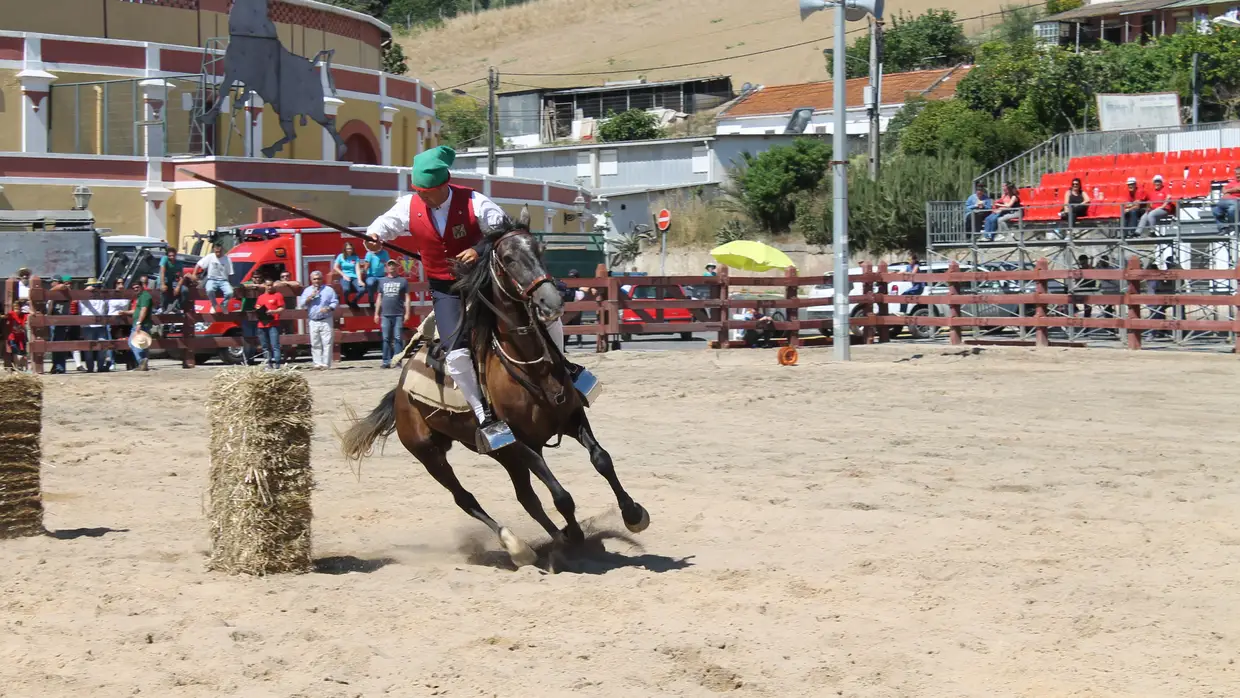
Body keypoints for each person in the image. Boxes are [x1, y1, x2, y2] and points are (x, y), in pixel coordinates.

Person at [365, 145, 597, 451]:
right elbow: (385, 226)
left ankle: (565, 366)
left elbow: (504, 236)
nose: (421, 195)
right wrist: (373, 237)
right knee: (455, 352)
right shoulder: (409, 206)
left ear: (442, 185)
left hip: (483, 280)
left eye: (426, 191)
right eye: (418, 190)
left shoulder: (475, 201)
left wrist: (479, 250)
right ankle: (484, 414)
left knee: (545, 313)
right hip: (446, 289)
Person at [373, 259, 410, 369]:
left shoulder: (403, 281)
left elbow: (407, 298)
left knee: (398, 338)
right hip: (385, 314)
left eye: (393, 265)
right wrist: (376, 313)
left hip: (398, 313)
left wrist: (407, 313)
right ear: (386, 267)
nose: (391, 267)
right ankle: (386, 361)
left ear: (397, 267)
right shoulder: (382, 281)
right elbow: (379, 298)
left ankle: (397, 361)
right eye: (389, 265)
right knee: (386, 338)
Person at [298, 270, 338, 369]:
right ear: (311, 280)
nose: (317, 281)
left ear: (322, 279)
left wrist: (328, 308)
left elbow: (335, 301)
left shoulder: (329, 290)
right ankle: (317, 363)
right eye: (314, 279)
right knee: (315, 343)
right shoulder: (307, 290)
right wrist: (310, 297)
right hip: (313, 320)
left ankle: (326, 364)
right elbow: (302, 304)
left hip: (326, 319)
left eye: (319, 279)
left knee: (327, 342)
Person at [119, 276, 153, 371]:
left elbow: (143, 310)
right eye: (134, 288)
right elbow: (136, 311)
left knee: (132, 343)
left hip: (141, 324)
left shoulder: (145, 296)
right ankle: (143, 362)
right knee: (143, 344)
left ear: (142, 286)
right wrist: (125, 312)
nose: (135, 289)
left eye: (137, 287)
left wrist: (139, 322)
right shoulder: (142, 296)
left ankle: (141, 361)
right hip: (142, 323)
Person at [78, 278, 109, 373]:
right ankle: (90, 368)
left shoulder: (102, 296)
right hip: (88, 326)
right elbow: (81, 295)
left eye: (97, 286)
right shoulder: (84, 297)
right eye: (95, 286)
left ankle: (100, 366)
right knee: (88, 348)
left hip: (101, 325)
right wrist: (89, 289)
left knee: (103, 346)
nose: (96, 288)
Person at [195, 242, 234, 314]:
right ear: (214, 250)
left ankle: (223, 304)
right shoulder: (210, 256)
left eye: (219, 252)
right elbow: (199, 264)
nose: (218, 254)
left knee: (230, 292)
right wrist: (194, 274)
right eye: (216, 252)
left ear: (222, 250)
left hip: (223, 280)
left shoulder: (227, 259)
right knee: (209, 290)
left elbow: (230, 273)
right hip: (212, 279)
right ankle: (214, 304)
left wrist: (230, 284)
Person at [255, 277, 285, 369]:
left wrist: (273, 311)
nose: (269, 287)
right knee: (265, 346)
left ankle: (277, 363)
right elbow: (257, 307)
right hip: (262, 324)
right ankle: (268, 363)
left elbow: (282, 308)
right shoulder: (260, 297)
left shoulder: (278, 295)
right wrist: (259, 310)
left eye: (271, 285)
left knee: (275, 345)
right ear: (265, 286)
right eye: (268, 285)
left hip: (273, 323)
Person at [48, 275, 72, 374]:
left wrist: (51, 291)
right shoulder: (55, 293)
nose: (50, 284)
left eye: (52, 282)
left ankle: (60, 367)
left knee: (59, 344)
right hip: (53, 320)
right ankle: (56, 366)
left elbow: (64, 286)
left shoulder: (63, 291)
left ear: (56, 281)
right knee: (54, 344)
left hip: (60, 321)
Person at [333, 241, 364, 308]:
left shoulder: (355, 257)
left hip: (354, 277)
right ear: (345, 249)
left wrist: (360, 280)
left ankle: (354, 301)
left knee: (362, 290)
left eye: (351, 248)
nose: (349, 250)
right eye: (348, 249)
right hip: (345, 276)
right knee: (346, 289)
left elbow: (357, 269)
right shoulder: (340, 256)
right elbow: (335, 267)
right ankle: (347, 301)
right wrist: (344, 275)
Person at [362, 240, 391, 307]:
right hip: (371, 276)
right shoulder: (369, 253)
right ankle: (371, 301)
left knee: (386, 285)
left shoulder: (385, 253)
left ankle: (385, 303)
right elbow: (366, 265)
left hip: (381, 276)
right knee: (370, 283)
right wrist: (363, 275)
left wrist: (390, 274)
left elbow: (387, 264)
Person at [1213, 165, 1240, 230]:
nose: (1237, 175)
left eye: (1239, 174)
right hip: (1226, 201)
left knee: (1232, 209)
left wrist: (1228, 191)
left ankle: (1233, 227)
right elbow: (1224, 188)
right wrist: (1229, 191)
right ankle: (1223, 228)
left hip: (1237, 201)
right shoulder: (1234, 181)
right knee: (1215, 210)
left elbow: (1238, 189)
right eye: (1236, 174)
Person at [6, 299, 30, 372]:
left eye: (18, 308)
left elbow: (30, 315)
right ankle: (17, 367)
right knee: (16, 353)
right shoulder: (11, 314)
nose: (17, 310)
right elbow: (5, 316)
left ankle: (24, 368)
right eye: (15, 308)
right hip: (12, 337)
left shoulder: (23, 315)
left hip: (21, 337)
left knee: (23, 353)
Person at [157, 248, 183, 313]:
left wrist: (178, 287)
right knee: (164, 289)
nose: (172, 257)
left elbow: (181, 277)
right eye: (170, 256)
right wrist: (162, 284)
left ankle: (176, 307)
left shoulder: (178, 263)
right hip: (163, 279)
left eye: (173, 255)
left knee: (182, 290)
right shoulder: (164, 259)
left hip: (172, 280)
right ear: (167, 256)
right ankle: (162, 307)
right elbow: (162, 272)